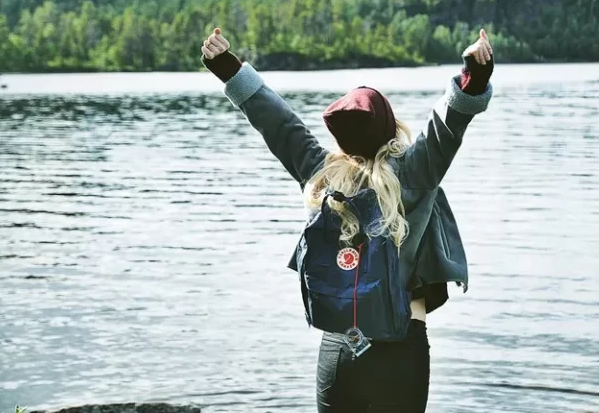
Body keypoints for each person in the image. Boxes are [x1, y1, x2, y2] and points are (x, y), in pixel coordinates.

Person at [200, 27, 494, 413]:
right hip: (400, 349)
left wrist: (228, 68)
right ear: (390, 125)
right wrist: (475, 73)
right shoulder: (416, 170)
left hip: (339, 347)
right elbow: (449, 122)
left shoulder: (322, 173)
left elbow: (278, 123)